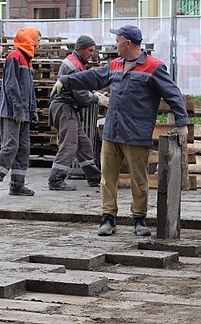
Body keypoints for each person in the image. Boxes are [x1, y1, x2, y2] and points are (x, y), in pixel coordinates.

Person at [52, 25, 190, 236]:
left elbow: (173, 94)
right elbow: (94, 77)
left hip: (136, 134)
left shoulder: (153, 67)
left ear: (127, 43)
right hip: (112, 132)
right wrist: (66, 81)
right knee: (107, 178)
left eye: (117, 41)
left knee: (139, 180)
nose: (114, 44)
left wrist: (181, 123)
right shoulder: (115, 65)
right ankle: (108, 218)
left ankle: (139, 219)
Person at [0, 27, 41, 199]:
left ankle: (17, 185)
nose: (38, 44)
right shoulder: (15, 57)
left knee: (23, 148)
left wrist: (32, 109)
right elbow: (11, 86)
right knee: (11, 146)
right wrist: (19, 110)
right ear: (30, 41)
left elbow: (30, 89)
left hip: (23, 112)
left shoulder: (27, 60)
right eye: (37, 40)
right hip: (13, 112)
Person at [47, 35, 105, 191]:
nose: (92, 54)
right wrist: (95, 98)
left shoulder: (75, 62)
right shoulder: (75, 66)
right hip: (65, 109)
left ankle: (94, 177)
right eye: (90, 50)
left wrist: (93, 93)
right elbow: (80, 93)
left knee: (84, 144)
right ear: (82, 49)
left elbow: (81, 85)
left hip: (67, 109)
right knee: (70, 144)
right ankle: (56, 180)